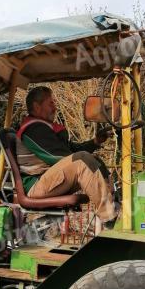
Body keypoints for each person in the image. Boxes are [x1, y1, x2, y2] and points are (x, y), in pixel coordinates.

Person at [16, 86, 118, 227]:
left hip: (50, 181)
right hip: (36, 185)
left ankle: (114, 203)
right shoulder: (34, 129)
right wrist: (85, 157)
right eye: (50, 103)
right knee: (83, 159)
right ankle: (109, 219)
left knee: (92, 160)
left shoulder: (45, 128)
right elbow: (55, 156)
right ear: (37, 106)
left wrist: (95, 142)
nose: (55, 108)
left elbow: (71, 150)